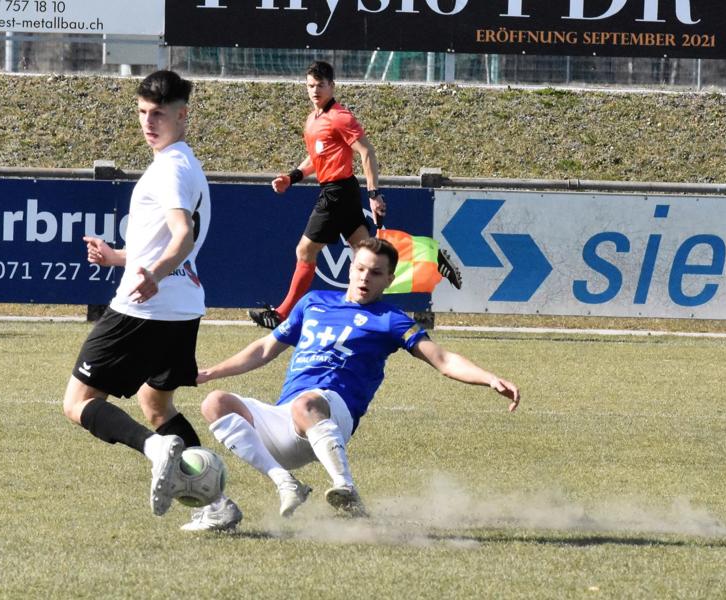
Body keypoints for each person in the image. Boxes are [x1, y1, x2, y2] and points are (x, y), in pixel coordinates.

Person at [184, 238, 519, 531]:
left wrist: (489, 378)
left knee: (307, 402)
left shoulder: (391, 319)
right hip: (288, 419)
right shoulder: (313, 302)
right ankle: (285, 482)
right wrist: (212, 372)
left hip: (331, 415)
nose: (365, 278)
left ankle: (345, 487)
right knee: (215, 402)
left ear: (389, 279)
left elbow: (443, 360)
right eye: (360, 269)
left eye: (375, 273)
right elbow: (264, 349)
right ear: (350, 269)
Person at [63, 70, 212, 517]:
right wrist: (119, 258)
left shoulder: (170, 168)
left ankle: (154, 450)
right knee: (155, 401)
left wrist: (154, 274)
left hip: (144, 308)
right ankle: (214, 503)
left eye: (159, 114)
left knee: (78, 403)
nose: (149, 123)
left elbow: (182, 235)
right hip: (183, 308)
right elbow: (168, 243)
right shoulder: (184, 164)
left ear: (182, 116)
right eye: (143, 113)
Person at [248, 60, 461, 330]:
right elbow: (317, 158)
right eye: (311, 86)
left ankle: (282, 315)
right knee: (368, 253)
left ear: (332, 86)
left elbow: (366, 152)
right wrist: (292, 177)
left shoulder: (340, 116)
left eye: (321, 85)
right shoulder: (313, 120)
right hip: (337, 190)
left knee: (305, 250)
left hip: (337, 192)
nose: (315, 91)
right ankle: (430, 259)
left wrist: (374, 193)